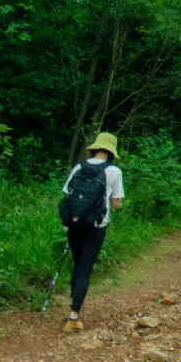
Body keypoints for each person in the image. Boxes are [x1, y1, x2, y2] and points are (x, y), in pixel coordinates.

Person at [61, 132, 124, 332]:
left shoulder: (79, 167)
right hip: (96, 228)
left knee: (78, 263)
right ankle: (73, 317)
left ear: (95, 148)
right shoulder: (114, 171)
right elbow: (116, 204)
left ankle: (73, 306)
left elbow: (66, 193)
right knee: (85, 270)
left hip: (73, 225)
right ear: (111, 152)